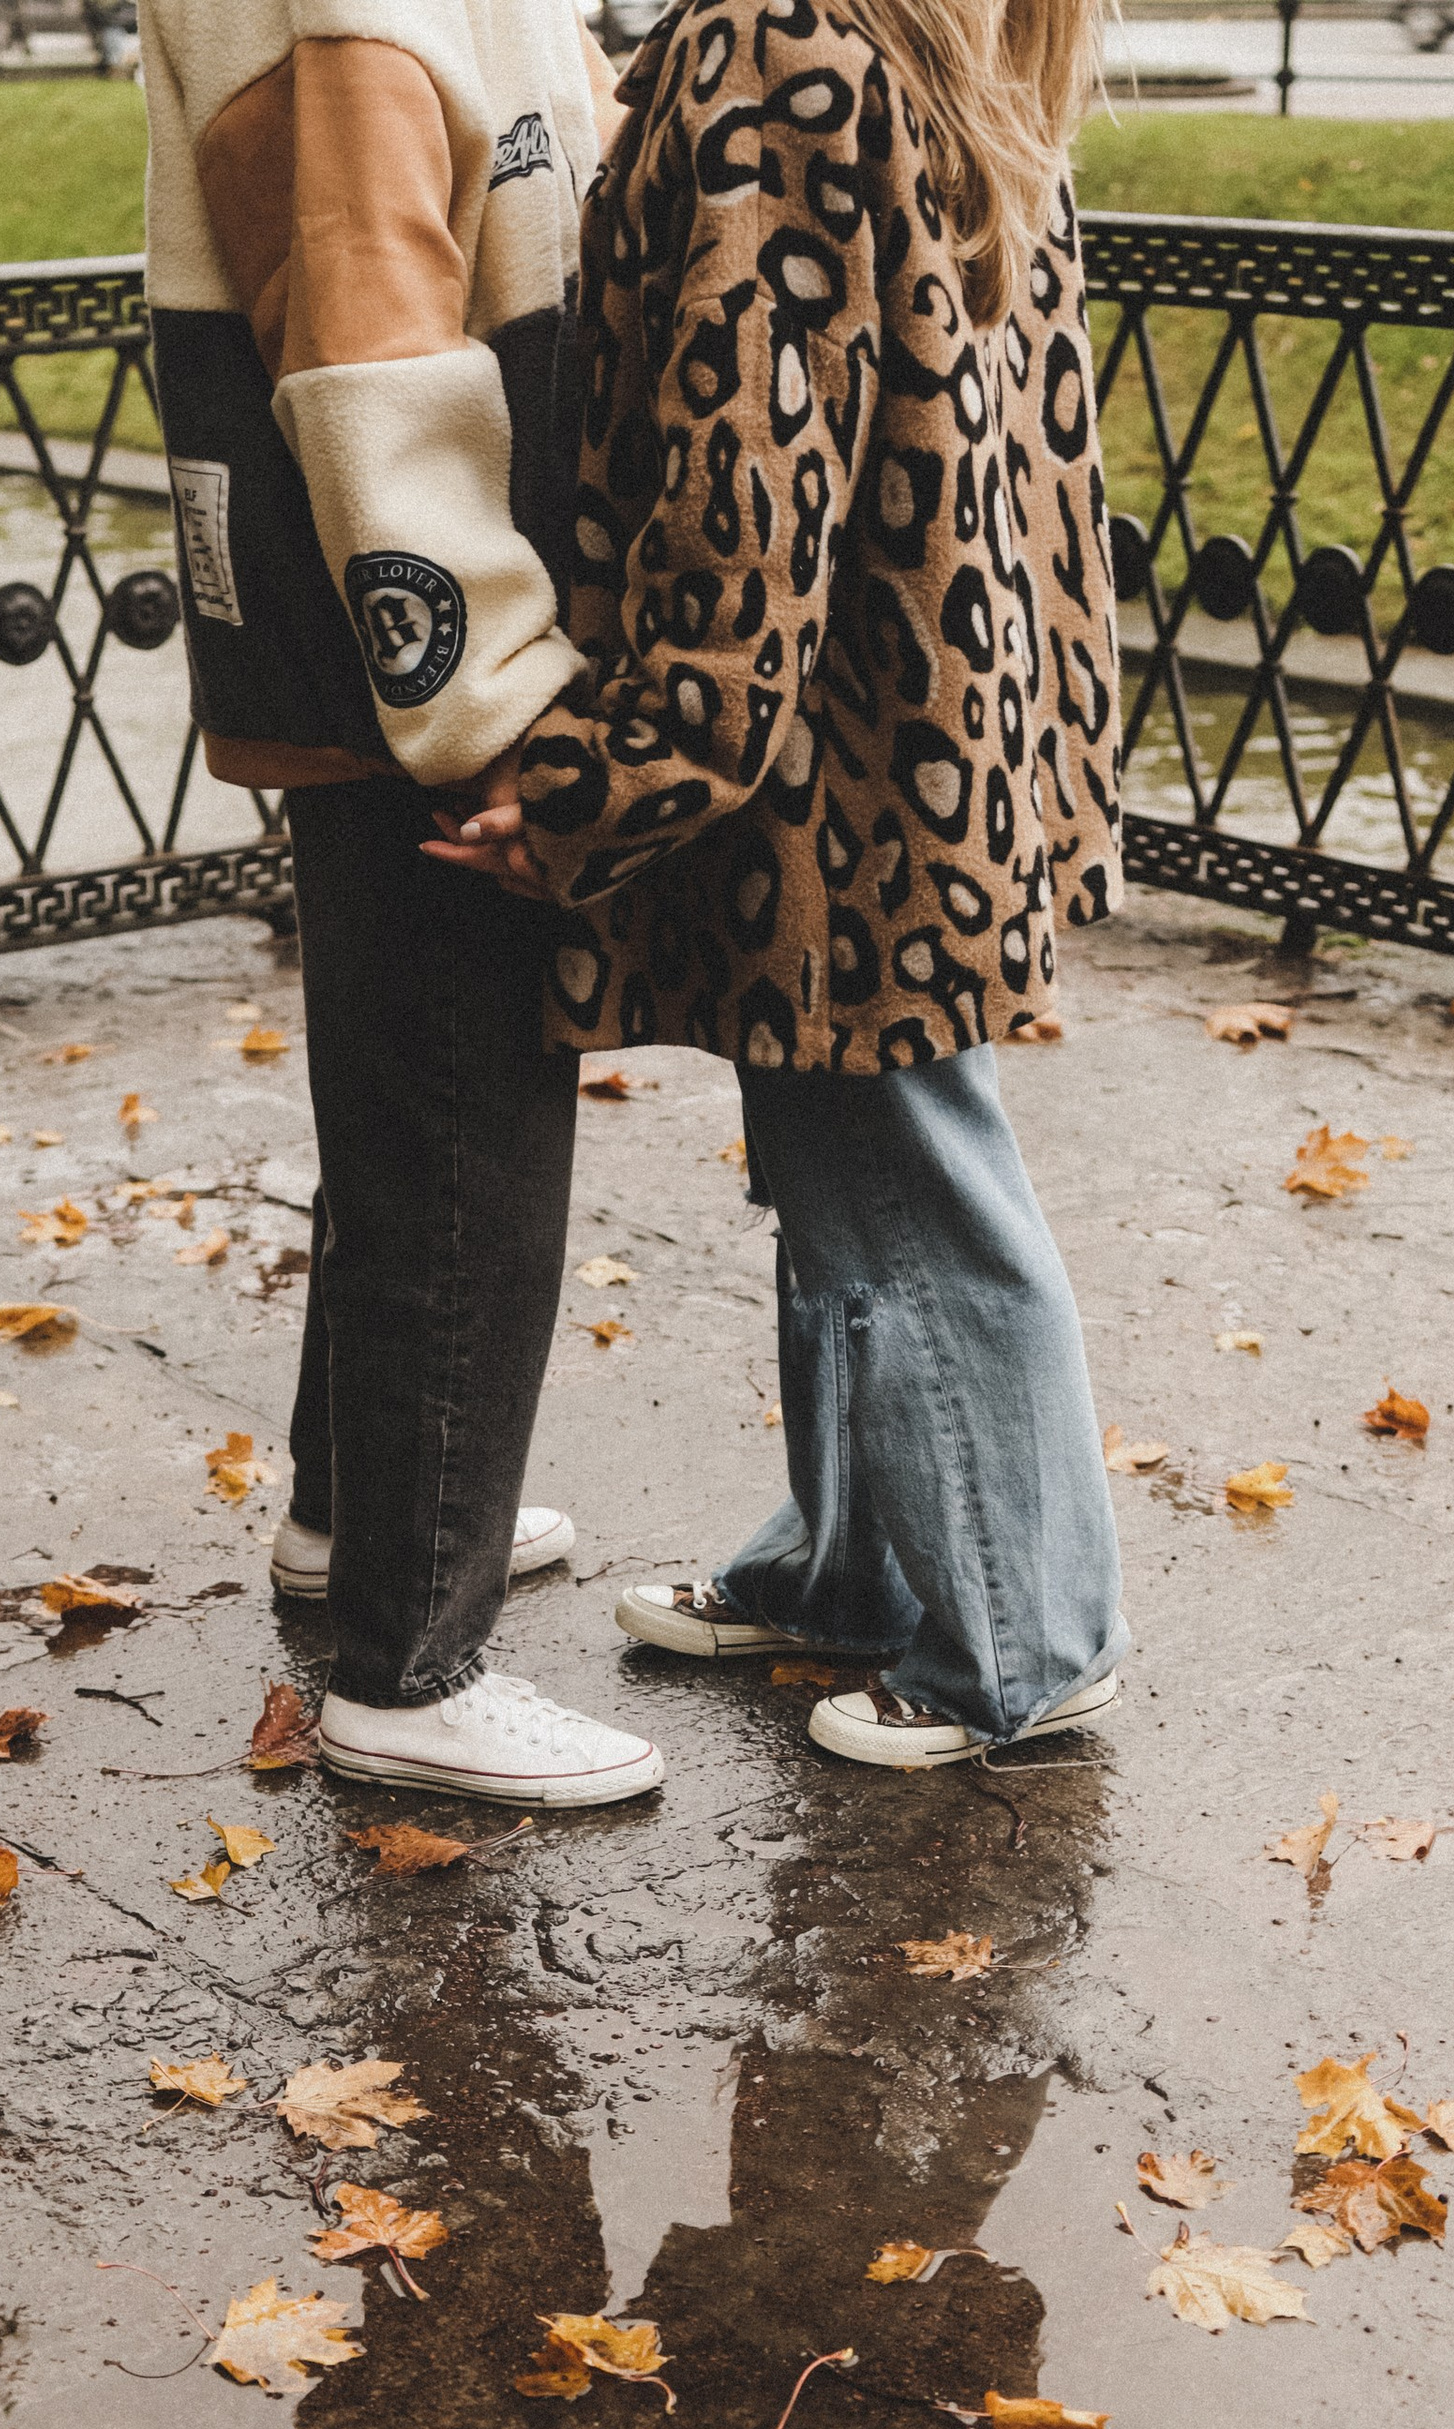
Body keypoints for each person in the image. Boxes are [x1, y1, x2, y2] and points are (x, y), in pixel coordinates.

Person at [430, 0, 1131, 1770]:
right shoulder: (937, 32)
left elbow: (745, 497)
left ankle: (1025, 1648)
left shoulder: (776, 41)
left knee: (911, 1192)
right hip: (934, 732)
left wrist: (594, 787)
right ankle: (851, 1568)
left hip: (847, 767)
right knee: (841, 1177)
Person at [137, 0, 664, 1807]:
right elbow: (372, 362)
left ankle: (350, 1516)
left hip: (359, 659)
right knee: (461, 1137)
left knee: (395, 1109)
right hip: (425, 690)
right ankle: (410, 1668)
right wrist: (495, 710)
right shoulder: (359, 15)